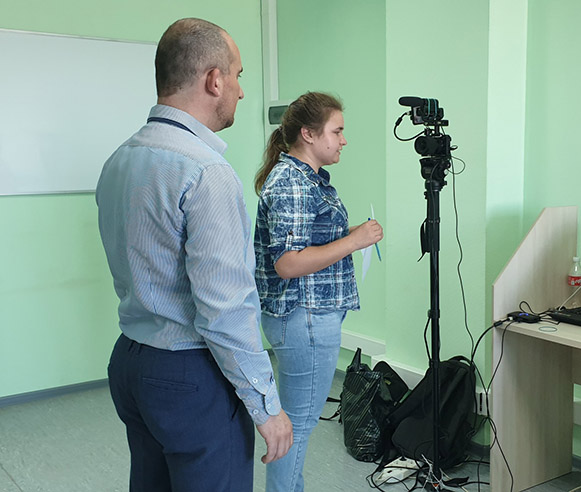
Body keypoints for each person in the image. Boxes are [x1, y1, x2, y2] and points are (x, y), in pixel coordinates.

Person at [96, 18, 293, 492]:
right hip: (190, 373)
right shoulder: (206, 172)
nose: (242, 91)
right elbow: (225, 309)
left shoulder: (120, 159)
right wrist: (267, 407)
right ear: (214, 79)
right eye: (239, 75)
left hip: (131, 363)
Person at [253, 91, 383, 491]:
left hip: (307, 316)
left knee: (295, 423)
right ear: (308, 134)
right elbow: (288, 263)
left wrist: (349, 234)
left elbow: (308, 241)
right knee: (297, 425)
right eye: (337, 131)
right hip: (305, 318)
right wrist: (353, 241)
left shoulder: (306, 179)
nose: (344, 140)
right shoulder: (293, 182)